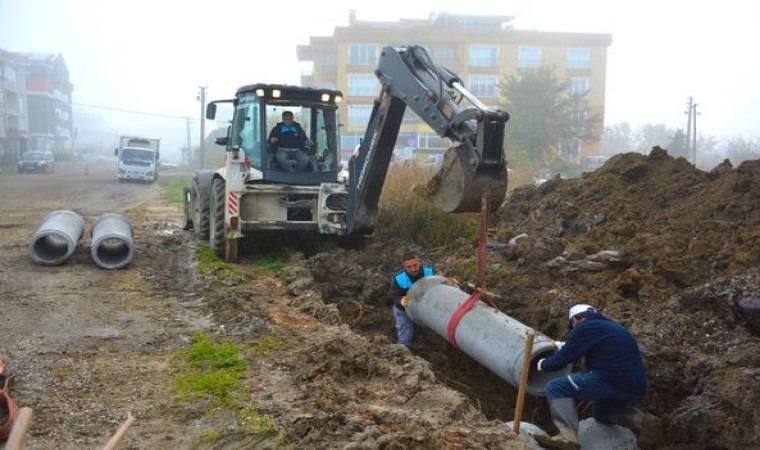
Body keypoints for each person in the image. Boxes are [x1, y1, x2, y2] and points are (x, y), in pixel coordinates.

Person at [533, 304, 647, 448]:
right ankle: (638, 422)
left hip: (610, 381)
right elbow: (587, 346)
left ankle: (568, 438)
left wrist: (542, 364)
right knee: (601, 414)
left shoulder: (585, 327)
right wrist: (565, 346)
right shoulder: (609, 327)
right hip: (635, 388)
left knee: (556, 386)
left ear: (575, 320)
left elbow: (558, 363)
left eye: (572, 327)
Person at [390, 252, 435, 348]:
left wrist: (448, 283)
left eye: (415, 265)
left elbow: (437, 285)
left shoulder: (429, 272)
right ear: (404, 267)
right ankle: (402, 351)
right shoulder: (399, 278)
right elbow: (392, 295)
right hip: (403, 309)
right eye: (409, 267)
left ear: (419, 262)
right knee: (406, 332)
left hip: (420, 308)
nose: (413, 269)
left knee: (416, 330)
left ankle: (415, 344)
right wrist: (400, 300)